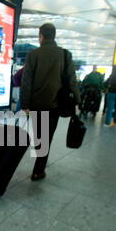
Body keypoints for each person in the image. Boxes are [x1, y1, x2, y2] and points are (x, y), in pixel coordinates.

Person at [20, 23, 80, 181]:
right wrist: (77, 101)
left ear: (41, 36)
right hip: (54, 106)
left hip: (36, 106)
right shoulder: (65, 55)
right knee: (46, 138)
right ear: (54, 36)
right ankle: (38, 171)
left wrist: (24, 105)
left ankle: (39, 161)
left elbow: (26, 82)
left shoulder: (33, 55)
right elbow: (72, 81)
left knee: (39, 136)